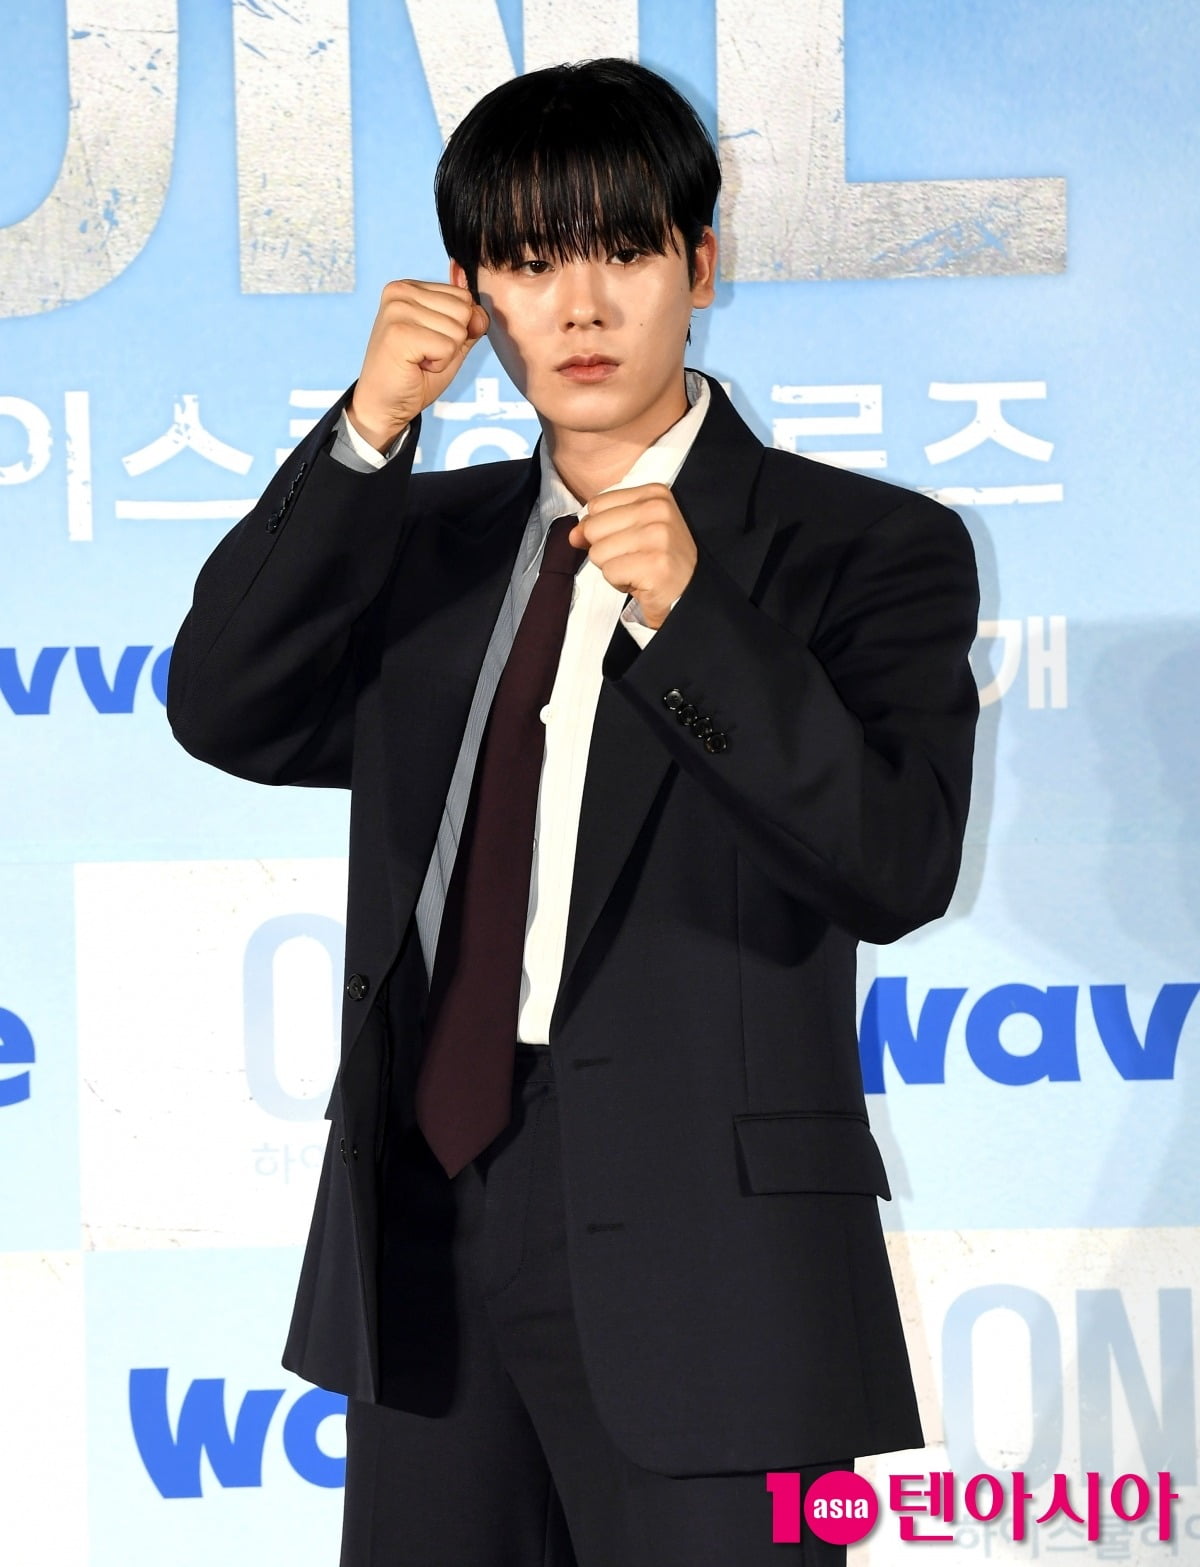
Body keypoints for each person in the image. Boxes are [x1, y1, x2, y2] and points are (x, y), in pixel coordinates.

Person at [167, 56, 979, 1567]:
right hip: (426, 1226)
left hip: (716, 1265)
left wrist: (695, 624)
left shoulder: (864, 548)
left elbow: (896, 864)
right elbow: (224, 707)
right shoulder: (426, 544)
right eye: (533, 264)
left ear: (700, 267)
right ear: (475, 292)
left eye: (622, 252)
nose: (582, 307)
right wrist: (365, 436)